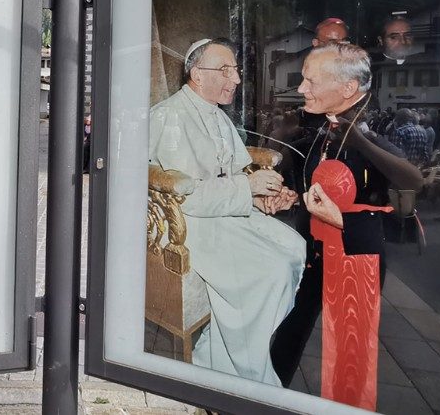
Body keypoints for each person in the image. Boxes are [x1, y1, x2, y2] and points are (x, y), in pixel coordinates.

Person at [270, 44, 422, 409]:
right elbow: (309, 177)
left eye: (311, 81)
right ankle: (267, 397)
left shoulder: (377, 128)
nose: (301, 89)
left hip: (356, 256)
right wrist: (291, 195)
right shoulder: (322, 126)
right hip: (314, 251)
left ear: (348, 88)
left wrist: (360, 143)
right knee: (290, 331)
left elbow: (414, 181)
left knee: (349, 357)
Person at [149, 38, 305, 386]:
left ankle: (218, 355)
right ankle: (242, 372)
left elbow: (234, 174)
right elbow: (187, 196)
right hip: (191, 224)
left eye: (235, 70)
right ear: (197, 75)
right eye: (225, 70)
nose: (235, 79)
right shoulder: (168, 117)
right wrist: (248, 188)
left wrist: (263, 199)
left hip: (222, 212)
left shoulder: (218, 116)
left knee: (295, 247)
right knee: (274, 270)